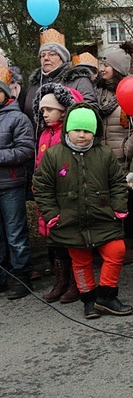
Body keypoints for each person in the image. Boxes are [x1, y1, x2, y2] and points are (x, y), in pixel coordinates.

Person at [33, 103, 133, 319]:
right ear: (68, 129)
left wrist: (118, 207)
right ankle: (89, 300)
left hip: (103, 217)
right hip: (70, 221)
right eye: (78, 130)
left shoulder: (104, 153)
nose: (82, 135)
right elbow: (42, 187)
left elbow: (117, 182)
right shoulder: (53, 155)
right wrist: (52, 215)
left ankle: (106, 296)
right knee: (80, 262)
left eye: (87, 131)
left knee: (116, 251)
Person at [96, 43, 133, 265]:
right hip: (103, 159)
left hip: (125, 161)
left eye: (106, 64)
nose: (102, 68)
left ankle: (131, 243)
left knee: (130, 203)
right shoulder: (97, 93)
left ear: (117, 68)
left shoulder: (132, 92)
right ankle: (110, 243)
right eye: (101, 63)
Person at [33, 83, 85, 303]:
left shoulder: (70, 135)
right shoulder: (45, 134)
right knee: (54, 241)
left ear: (64, 110)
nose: (44, 114)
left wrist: (59, 176)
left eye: (49, 110)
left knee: (70, 239)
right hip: (48, 195)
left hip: (65, 194)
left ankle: (75, 283)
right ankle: (60, 281)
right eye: (42, 110)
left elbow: (69, 165)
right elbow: (39, 163)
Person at [0, 66, 35, 299]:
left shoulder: (18, 118)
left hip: (10, 185)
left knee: (15, 233)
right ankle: (3, 275)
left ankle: (21, 275)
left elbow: (25, 150)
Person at [24, 29, 97, 122]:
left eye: (52, 54)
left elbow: (90, 109)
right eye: (42, 55)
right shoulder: (34, 83)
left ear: (62, 57)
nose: (46, 58)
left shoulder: (78, 79)